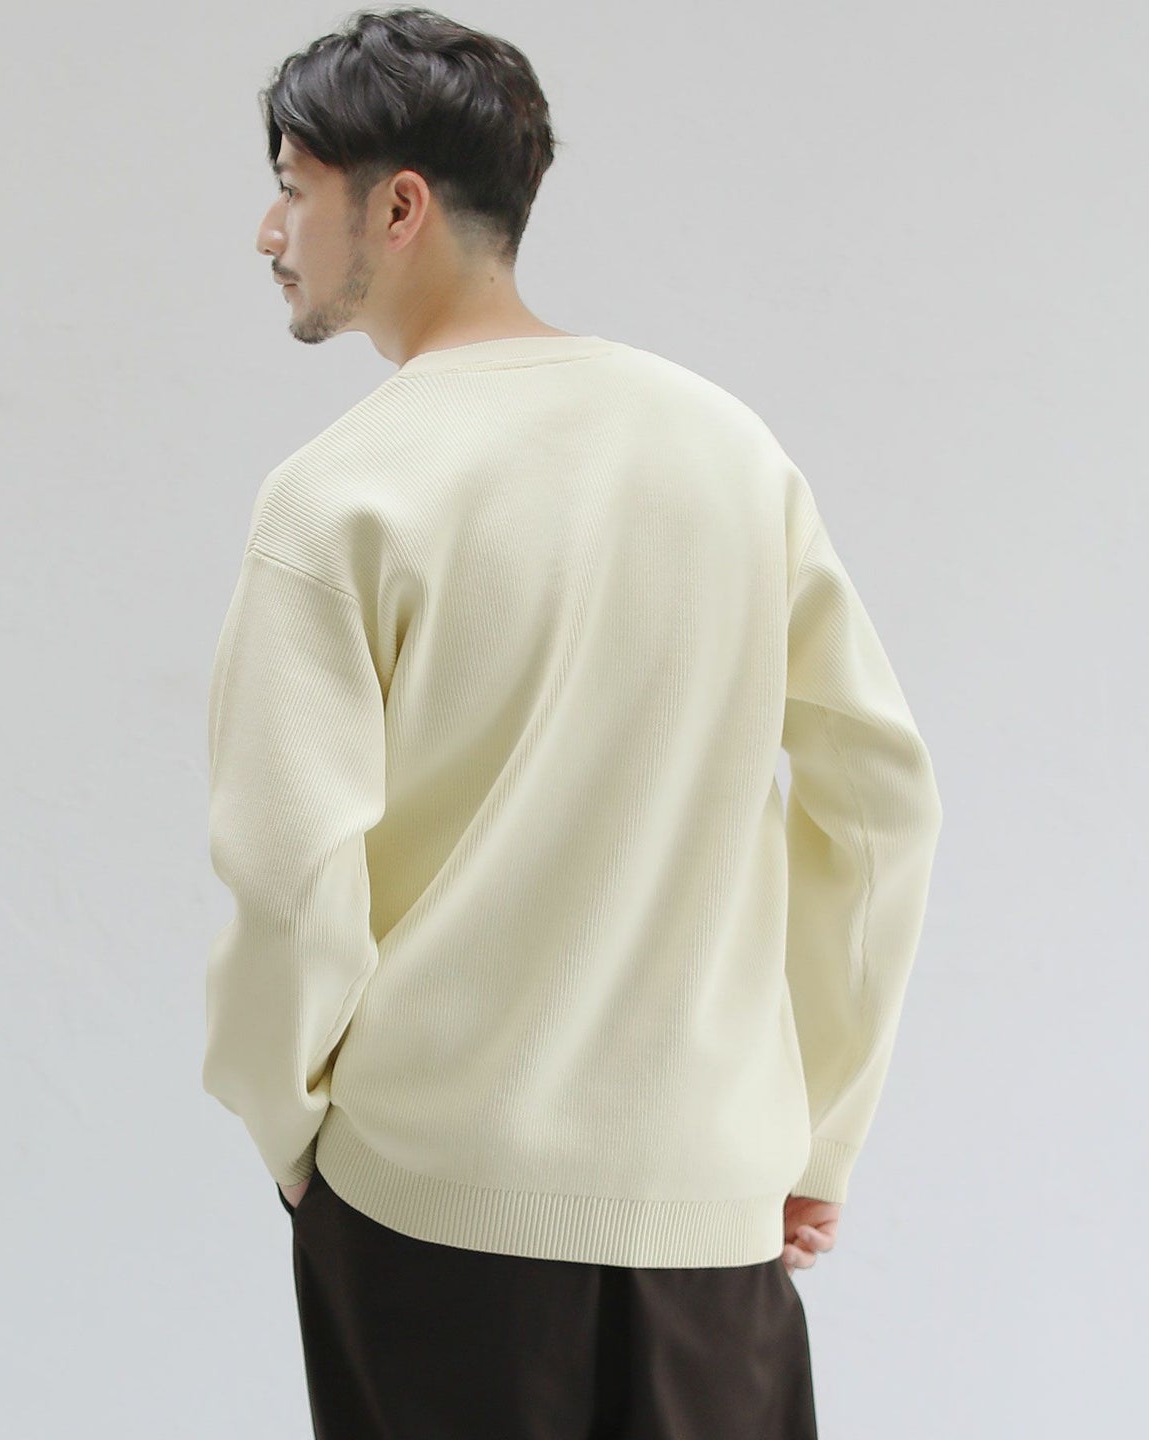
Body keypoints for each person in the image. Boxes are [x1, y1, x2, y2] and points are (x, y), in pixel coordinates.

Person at [201, 8, 943, 1439]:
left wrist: (289, 1125)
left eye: (294, 188)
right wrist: (815, 1130)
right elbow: (880, 803)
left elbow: (289, 875)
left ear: (398, 207)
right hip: (709, 1208)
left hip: (429, 1202)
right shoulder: (728, 450)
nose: (270, 232)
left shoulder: (341, 496)